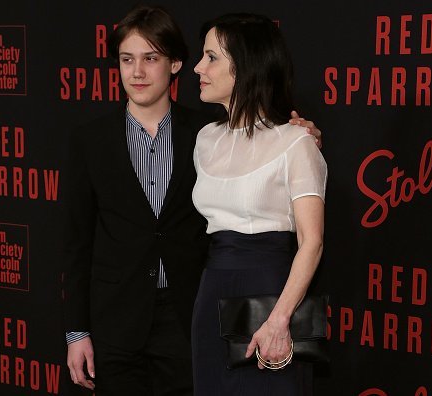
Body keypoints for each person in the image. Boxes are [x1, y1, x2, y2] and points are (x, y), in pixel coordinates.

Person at [62, 5, 322, 395]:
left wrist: (305, 134)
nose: (137, 72)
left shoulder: (205, 132)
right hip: (126, 319)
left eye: (150, 58)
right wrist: (76, 331)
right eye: (127, 59)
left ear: (173, 64)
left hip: (198, 309)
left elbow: (270, 148)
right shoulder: (98, 141)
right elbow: (76, 243)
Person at [191, 13, 327, 395]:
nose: (199, 67)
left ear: (245, 67)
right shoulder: (205, 139)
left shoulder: (295, 143)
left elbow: (312, 242)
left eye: (212, 57)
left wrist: (279, 319)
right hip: (212, 292)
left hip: (271, 295)